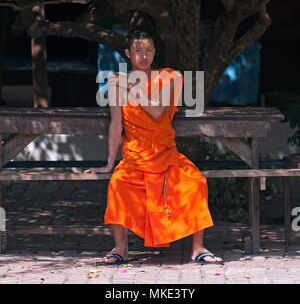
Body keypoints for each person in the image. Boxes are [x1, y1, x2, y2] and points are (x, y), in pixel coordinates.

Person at [84, 29, 223, 265]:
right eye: (138, 51)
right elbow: (116, 126)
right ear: (128, 53)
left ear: (155, 52)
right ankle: (120, 248)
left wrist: (130, 87)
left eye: (148, 50)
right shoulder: (117, 86)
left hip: (167, 154)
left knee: (196, 182)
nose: (144, 55)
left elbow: (157, 111)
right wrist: (109, 163)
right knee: (117, 185)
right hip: (134, 157)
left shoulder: (170, 78)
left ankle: (198, 248)